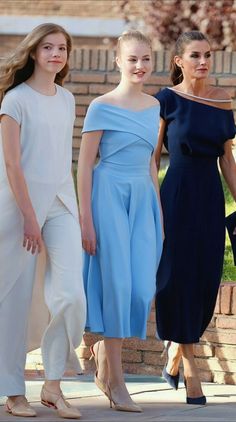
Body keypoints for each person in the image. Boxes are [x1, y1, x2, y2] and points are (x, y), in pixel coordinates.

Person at [0, 23, 86, 419]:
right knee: (13, 301)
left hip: (61, 204)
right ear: (34, 52)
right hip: (19, 209)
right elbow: (13, 164)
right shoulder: (15, 100)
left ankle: (53, 386)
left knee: (70, 293)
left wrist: (76, 212)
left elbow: (59, 159)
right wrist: (29, 218)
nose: (56, 54)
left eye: (62, 48)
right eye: (48, 47)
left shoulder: (67, 99)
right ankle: (13, 392)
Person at [77, 30, 163, 413]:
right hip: (108, 193)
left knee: (141, 289)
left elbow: (151, 164)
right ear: (118, 62)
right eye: (132, 59)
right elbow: (84, 166)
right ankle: (116, 381)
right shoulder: (100, 106)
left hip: (143, 200)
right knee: (115, 283)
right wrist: (86, 220)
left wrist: (158, 214)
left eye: (146, 59)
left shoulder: (155, 107)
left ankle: (99, 352)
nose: (140, 66)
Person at [154, 31, 236, 405]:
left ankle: (174, 353)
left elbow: (227, 159)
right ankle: (190, 368)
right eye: (195, 55)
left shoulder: (222, 101)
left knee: (204, 279)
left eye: (207, 55)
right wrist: (152, 204)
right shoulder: (165, 100)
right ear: (178, 60)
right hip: (175, 195)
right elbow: (153, 159)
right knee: (175, 279)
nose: (203, 61)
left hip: (209, 197)